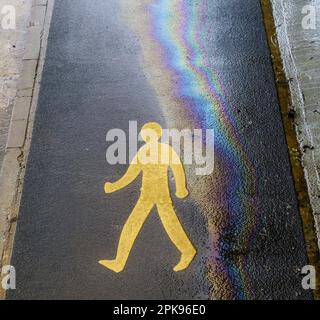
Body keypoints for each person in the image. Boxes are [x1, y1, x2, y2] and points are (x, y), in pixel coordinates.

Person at [99, 122, 196, 272]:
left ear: (156, 135)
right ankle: (119, 262)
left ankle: (188, 251)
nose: (146, 137)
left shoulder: (165, 150)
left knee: (169, 225)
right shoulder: (143, 152)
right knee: (133, 224)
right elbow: (130, 175)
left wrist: (181, 188)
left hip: (161, 195)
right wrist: (113, 187)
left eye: (149, 134)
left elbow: (177, 168)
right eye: (145, 135)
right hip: (146, 195)